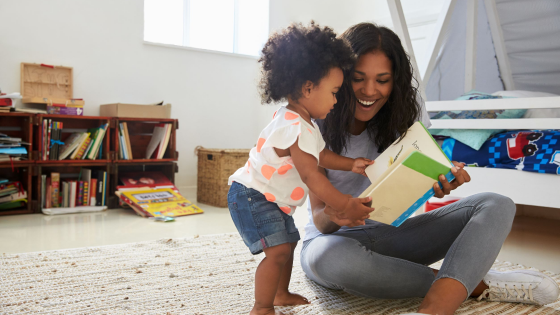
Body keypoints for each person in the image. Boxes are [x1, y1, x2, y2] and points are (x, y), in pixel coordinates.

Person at [301, 22, 560, 315]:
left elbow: (413, 187)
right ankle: (469, 284)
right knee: (329, 259)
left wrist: (438, 182)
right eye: (358, 78)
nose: (370, 90)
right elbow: (320, 220)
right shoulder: (314, 119)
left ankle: (435, 308)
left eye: (382, 80)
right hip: (334, 241)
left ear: (395, 81)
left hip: (395, 234)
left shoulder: (407, 110)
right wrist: (338, 214)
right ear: (340, 76)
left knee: (497, 205)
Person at [227, 22, 375, 315]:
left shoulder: (303, 123)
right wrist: (346, 203)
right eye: (334, 92)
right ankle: (261, 306)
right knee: (278, 250)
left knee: (290, 242)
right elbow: (311, 175)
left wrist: (351, 164)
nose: (336, 100)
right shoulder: (294, 126)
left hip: (270, 199)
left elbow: (320, 155)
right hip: (252, 197)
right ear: (308, 88)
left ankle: (280, 293)